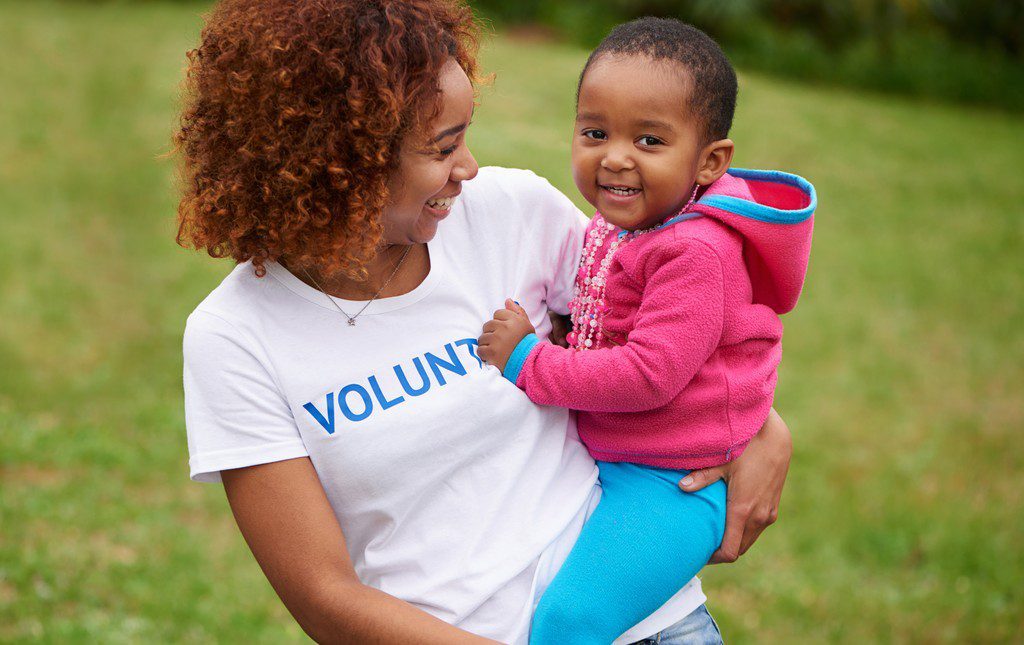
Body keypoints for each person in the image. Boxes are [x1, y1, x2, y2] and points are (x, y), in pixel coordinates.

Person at [175, 1, 793, 643]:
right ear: (340, 160)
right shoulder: (234, 337)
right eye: (443, 147)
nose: (469, 167)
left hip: (653, 627)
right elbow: (323, 596)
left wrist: (766, 429)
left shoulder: (513, 211)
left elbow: (680, 330)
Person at [476, 18, 815, 645]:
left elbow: (647, 375)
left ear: (710, 161)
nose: (615, 156)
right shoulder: (631, 225)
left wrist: (527, 359)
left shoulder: (696, 253)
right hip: (613, 458)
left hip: (669, 481)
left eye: (650, 140)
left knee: (568, 623)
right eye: (595, 132)